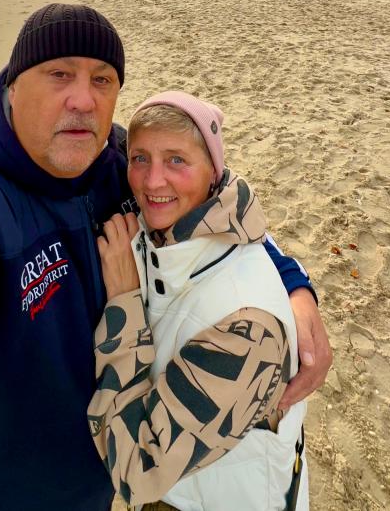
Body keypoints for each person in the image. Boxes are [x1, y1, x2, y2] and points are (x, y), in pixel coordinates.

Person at [0, 4, 329, 510]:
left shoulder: (122, 166)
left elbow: (215, 212)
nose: (83, 100)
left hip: (103, 480)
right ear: (12, 86)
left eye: (102, 80)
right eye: (59, 74)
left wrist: (294, 286)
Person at [89, 92, 309, 510]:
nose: (153, 182)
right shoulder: (171, 233)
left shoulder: (248, 331)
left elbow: (137, 468)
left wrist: (123, 303)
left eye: (176, 160)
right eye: (140, 159)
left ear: (214, 172)